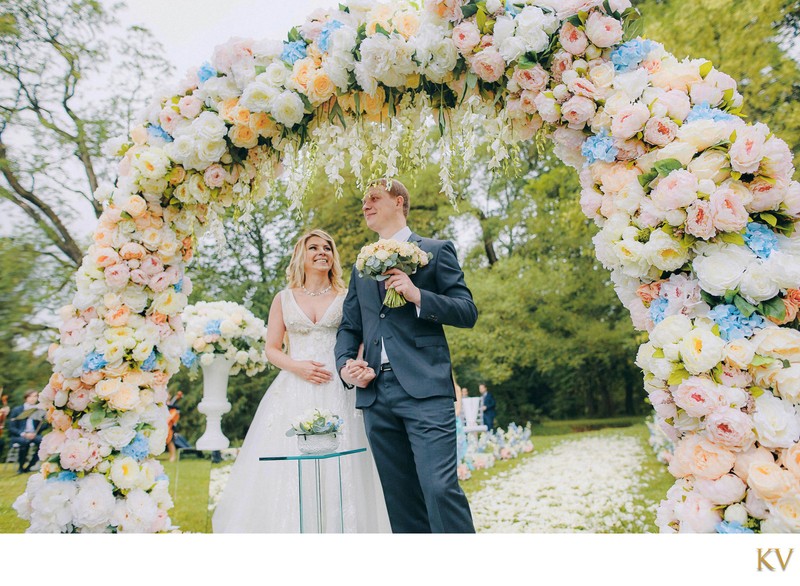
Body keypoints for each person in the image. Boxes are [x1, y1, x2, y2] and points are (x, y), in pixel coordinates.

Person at [212, 229, 390, 533]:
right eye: (314, 248)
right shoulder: (283, 299)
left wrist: (355, 366)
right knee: (292, 463)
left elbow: (359, 340)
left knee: (344, 458)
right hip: (294, 389)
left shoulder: (347, 297)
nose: (322, 252)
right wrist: (297, 367)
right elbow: (271, 349)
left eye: (327, 248)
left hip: (339, 387)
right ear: (301, 256)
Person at [336, 178, 478, 533]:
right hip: (376, 396)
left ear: (399, 202)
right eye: (363, 200)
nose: (365, 205)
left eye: (374, 198)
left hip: (425, 389)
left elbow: (466, 311)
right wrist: (345, 366)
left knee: (439, 488)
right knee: (401, 500)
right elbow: (349, 328)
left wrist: (418, 296)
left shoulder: (435, 250)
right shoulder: (360, 265)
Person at [7, 390, 45, 474]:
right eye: (30, 396)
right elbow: (11, 427)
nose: (32, 398)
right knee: (25, 442)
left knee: (44, 443)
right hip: (19, 436)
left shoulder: (38, 410)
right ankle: (21, 467)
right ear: (26, 398)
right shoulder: (17, 410)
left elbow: (40, 428)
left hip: (33, 435)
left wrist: (46, 420)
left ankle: (30, 466)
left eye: (35, 396)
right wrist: (24, 434)